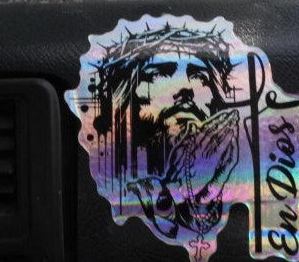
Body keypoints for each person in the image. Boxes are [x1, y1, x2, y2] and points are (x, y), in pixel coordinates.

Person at [87, 24, 239, 244]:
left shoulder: (224, 174)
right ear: (125, 98)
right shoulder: (124, 191)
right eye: (159, 74)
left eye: (199, 77)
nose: (186, 89)